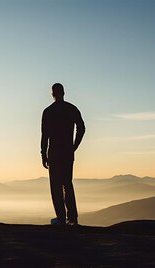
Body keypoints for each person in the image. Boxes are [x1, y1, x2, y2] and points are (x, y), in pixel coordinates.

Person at [40, 83, 86, 225]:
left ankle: (60, 218)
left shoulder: (48, 111)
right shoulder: (71, 109)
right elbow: (82, 128)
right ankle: (72, 218)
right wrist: (74, 146)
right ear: (64, 92)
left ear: (52, 94)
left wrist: (43, 154)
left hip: (54, 152)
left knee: (56, 186)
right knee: (67, 184)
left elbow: (44, 135)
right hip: (67, 152)